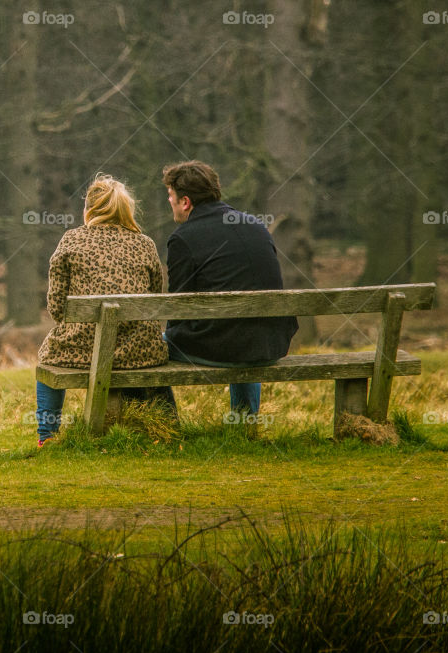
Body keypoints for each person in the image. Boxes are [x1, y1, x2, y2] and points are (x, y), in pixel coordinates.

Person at [35, 174, 168, 446]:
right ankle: (157, 427)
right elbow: (155, 301)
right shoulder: (145, 244)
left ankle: (47, 436)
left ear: (90, 210)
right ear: (125, 210)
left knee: (47, 355)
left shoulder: (71, 241)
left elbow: (57, 309)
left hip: (82, 349)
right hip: (138, 350)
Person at [160, 160, 298, 420]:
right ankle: (245, 422)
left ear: (186, 202)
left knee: (149, 348)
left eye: (171, 196)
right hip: (270, 343)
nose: (170, 202)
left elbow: (178, 307)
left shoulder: (183, 238)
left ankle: (165, 423)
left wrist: (171, 334)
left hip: (224, 347)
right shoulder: (256, 226)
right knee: (243, 330)